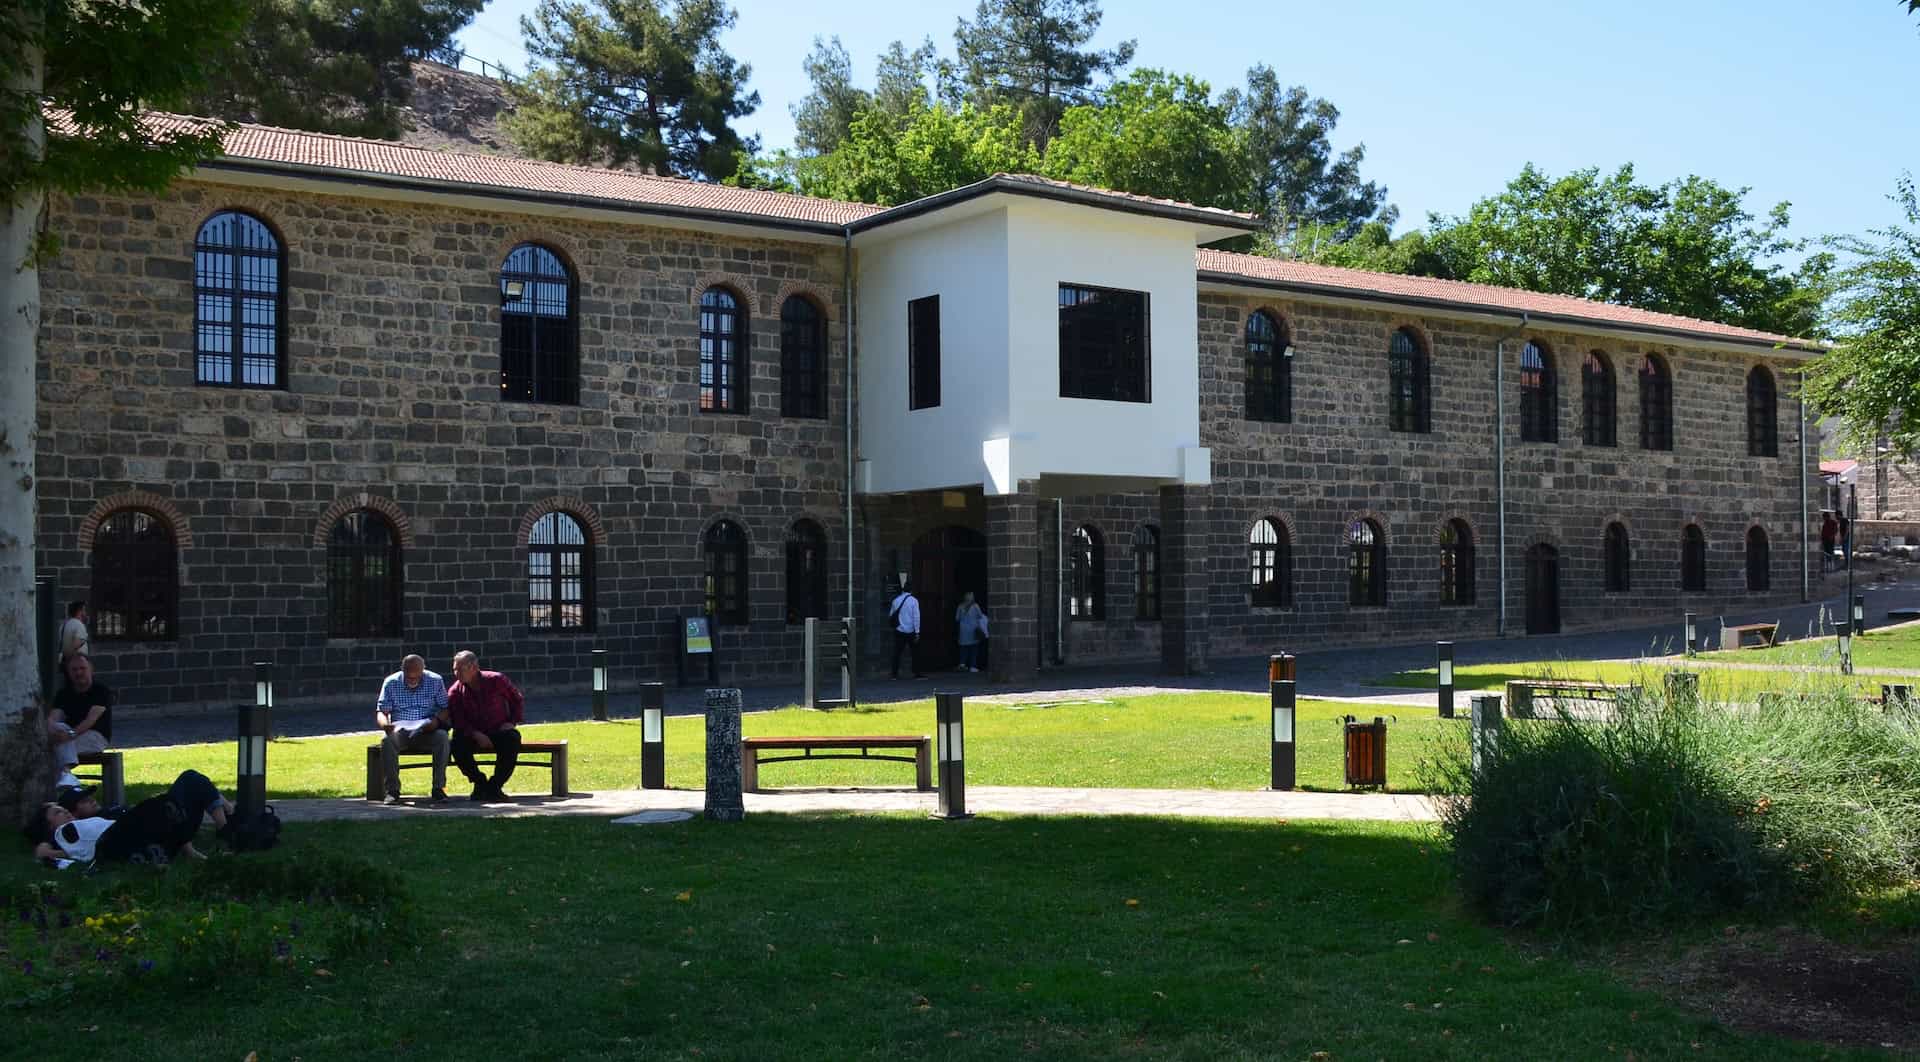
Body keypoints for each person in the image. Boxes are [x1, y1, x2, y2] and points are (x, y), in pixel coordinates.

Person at [30, 771, 234, 868]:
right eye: (58, 812)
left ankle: (231, 822)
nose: (65, 813)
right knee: (191, 780)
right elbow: (44, 852)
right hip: (149, 837)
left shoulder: (101, 817)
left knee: (195, 784)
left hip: (163, 830)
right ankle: (229, 832)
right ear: (50, 826)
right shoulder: (66, 836)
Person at [446, 650, 524, 802]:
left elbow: (517, 699)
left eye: (460, 669)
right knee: (456, 744)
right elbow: (458, 720)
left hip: (498, 729)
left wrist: (511, 722)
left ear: (474, 667)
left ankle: (495, 786)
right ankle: (479, 782)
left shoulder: (496, 680)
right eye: (455, 669)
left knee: (512, 739)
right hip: (473, 733)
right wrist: (475, 734)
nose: (457, 673)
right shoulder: (455, 691)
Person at [374, 654, 451, 805]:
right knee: (387, 742)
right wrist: (385, 725)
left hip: (426, 730)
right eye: (409, 677)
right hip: (401, 731)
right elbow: (381, 711)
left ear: (423, 670)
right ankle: (392, 791)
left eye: (416, 677)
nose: (412, 680)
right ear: (402, 670)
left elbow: (445, 708)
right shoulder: (391, 682)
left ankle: (438, 788)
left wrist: (436, 721)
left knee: (442, 737)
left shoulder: (435, 680)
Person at [48, 653, 111, 769]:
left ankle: (66, 777)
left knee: (56, 749)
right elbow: (54, 718)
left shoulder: (100, 691)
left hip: (94, 736)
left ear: (91, 669)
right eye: (74, 669)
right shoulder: (63, 694)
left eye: (82, 668)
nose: (78, 673)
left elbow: (90, 720)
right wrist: (54, 732)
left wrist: (69, 735)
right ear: (68, 672)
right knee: (56, 730)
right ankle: (66, 779)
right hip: (67, 735)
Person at [888, 581, 924, 680]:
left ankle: (894, 674)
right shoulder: (914, 601)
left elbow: (891, 614)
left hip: (899, 630)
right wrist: (917, 632)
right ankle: (916, 673)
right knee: (915, 652)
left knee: (897, 653)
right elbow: (916, 617)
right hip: (911, 631)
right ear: (912, 590)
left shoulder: (896, 600)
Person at [954, 592, 988, 673]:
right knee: (974, 649)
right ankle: (973, 666)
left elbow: (957, 618)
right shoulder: (975, 606)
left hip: (963, 630)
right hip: (973, 629)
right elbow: (980, 616)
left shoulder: (960, 606)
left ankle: (962, 664)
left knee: (963, 648)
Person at [56, 601, 89, 667]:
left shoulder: (63, 625)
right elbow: (76, 644)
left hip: (65, 662)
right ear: (80, 611)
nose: (85, 613)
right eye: (84, 610)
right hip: (77, 663)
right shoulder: (79, 625)